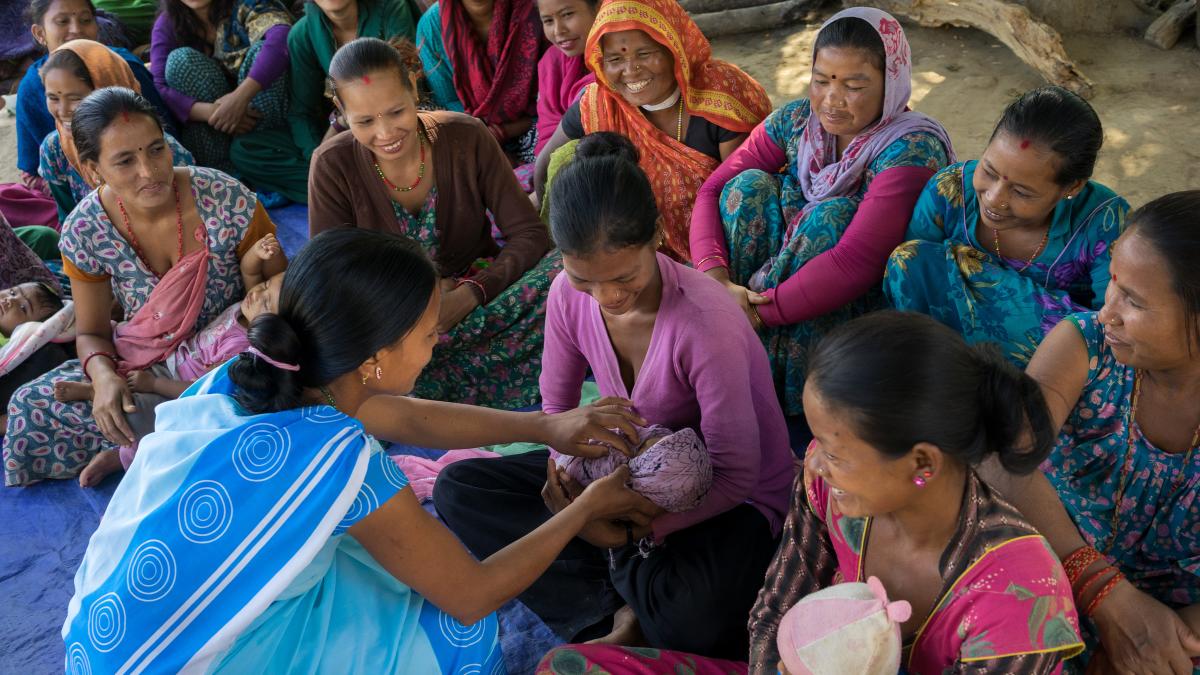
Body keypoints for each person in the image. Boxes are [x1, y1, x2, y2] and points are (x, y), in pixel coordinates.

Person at [61, 227, 661, 673]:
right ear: (376, 358)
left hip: (94, 639)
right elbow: (472, 593)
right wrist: (582, 509)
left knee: (363, 554)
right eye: (429, 335)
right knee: (460, 633)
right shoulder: (340, 456)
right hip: (172, 662)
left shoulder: (249, 376)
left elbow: (403, 414)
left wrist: (545, 428)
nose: (438, 344)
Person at [434, 133, 794, 659]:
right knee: (461, 489)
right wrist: (567, 473)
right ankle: (619, 609)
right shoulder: (563, 295)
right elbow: (556, 410)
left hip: (722, 502)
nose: (609, 298)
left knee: (698, 620)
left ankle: (625, 589)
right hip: (618, 475)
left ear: (654, 237)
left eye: (624, 277)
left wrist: (621, 531)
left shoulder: (706, 322)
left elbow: (737, 473)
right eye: (586, 280)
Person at [3, 87, 285, 488]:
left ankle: (139, 449)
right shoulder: (86, 230)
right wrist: (102, 378)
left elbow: (280, 289)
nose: (149, 172)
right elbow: (92, 332)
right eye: (125, 161)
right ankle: (155, 441)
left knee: (263, 397)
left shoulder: (226, 198)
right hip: (145, 364)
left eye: (156, 149)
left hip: (231, 357)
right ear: (92, 170)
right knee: (30, 407)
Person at [689, 8, 953, 416]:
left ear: (891, 83)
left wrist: (759, 314)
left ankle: (781, 386)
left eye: (854, 84)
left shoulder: (912, 147)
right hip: (764, 290)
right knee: (748, 188)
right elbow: (713, 189)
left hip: (852, 302)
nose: (832, 98)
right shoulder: (797, 121)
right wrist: (716, 283)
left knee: (829, 218)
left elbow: (857, 261)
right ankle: (734, 351)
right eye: (822, 79)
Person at [983, 191, 1200, 674]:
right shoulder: (1085, 346)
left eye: (1134, 301)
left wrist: (1169, 641)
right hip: (1054, 561)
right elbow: (1004, 460)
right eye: (1114, 287)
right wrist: (1102, 591)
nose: (1108, 313)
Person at [309, 38, 559, 409]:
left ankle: (428, 392)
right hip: (400, 328)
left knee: (565, 273)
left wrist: (470, 293)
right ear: (341, 110)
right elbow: (333, 280)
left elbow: (529, 234)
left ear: (413, 86)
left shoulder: (467, 136)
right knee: (356, 359)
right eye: (364, 121)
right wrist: (420, 305)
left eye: (396, 112)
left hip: (484, 301)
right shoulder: (331, 166)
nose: (386, 133)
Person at [885, 86, 1128, 365]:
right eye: (988, 171)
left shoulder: (1106, 223)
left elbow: (1114, 327)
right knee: (911, 260)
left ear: (1072, 187)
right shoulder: (950, 191)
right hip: (947, 360)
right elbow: (910, 281)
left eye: (1022, 192)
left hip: (1052, 370)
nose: (994, 199)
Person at [535, 0, 770, 262]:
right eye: (615, 59)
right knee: (565, 158)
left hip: (724, 254)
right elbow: (544, 166)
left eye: (644, 54)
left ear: (674, 48)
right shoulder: (598, 104)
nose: (630, 70)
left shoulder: (720, 97)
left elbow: (740, 200)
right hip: (633, 259)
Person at [52, 235, 286, 479]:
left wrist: (155, 384)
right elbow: (250, 271)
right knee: (130, 366)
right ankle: (106, 389)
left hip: (183, 396)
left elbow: (203, 391)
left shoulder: (242, 350)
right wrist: (260, 252)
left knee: (138, 414)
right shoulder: (248, 307)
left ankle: (120, 459)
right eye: (266, 285)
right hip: (173, 362)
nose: (258, 293)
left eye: (267, 301)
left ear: (275, 327)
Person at [8, 0, 173, 230]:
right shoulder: (51, 140)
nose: (76, 29)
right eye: (63, 21)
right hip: (86, 215)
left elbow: (166, 142)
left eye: (85, 20)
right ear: (39, 33)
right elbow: (38, 177)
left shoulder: (121, 68)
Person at [151, 0, 309, 203]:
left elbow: (280, 37)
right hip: (214, 130)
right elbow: (161, 86)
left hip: (262, 121)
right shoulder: (169, 23)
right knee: (180, 61)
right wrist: (213, 113)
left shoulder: (248, 4)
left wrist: (239, 99)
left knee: (263, 50)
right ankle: (227, 180)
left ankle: (262, 164)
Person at [38, 40, 194, 222]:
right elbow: (68, 215)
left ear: (106, 91)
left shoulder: (160, 148)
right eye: (53, 98)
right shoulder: (55, 149)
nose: (63, 110)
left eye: (75, 98)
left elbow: (189, 206)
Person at [286, 0, 421, 162]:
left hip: (407, 118)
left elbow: (412, 86)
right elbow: (301, 113)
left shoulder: (392, 7)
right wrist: (316, 164)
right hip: (352, 128)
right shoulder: (303, 34)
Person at [415, 0, 543, 165]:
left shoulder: (532, 8)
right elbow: (446, 102)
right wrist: (486, 137)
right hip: (469, 130)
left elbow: (550, 95)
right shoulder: (431, 25)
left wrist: (504, 131)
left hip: (530, 124)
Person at [534, 0, 597, 156]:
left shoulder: (620, 61)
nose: (558, 31)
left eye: (567, 14)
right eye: (548, 21)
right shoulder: (551, 62)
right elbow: (547, 132)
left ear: (599, 6)